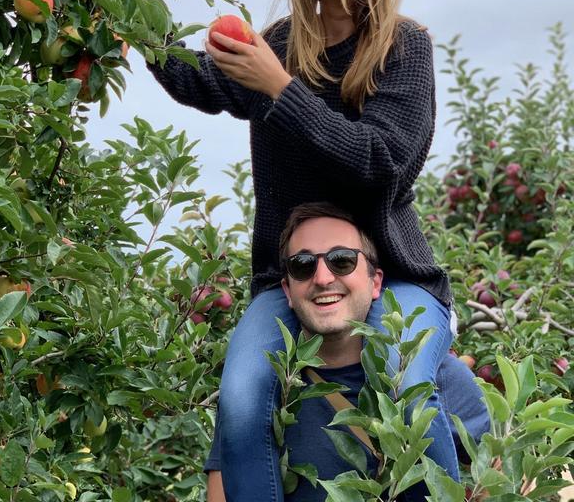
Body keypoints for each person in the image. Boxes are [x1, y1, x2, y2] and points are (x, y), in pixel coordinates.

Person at [147, 0, 457, 500]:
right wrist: (125, 7)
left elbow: (383, 161)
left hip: (396, 276)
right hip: (290, 280)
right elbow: (196, 80)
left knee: (403, 385)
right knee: (239, 401)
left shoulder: (405, 48)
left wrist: (277, 87)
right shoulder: (280, 45)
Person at [205, 203, 490, 502]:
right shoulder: (257, 390)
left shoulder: (436, 380)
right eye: (303, 265)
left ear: (376, 281)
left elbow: (505, 479)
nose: (323, 278)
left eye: (342, 260)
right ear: (287, 291)